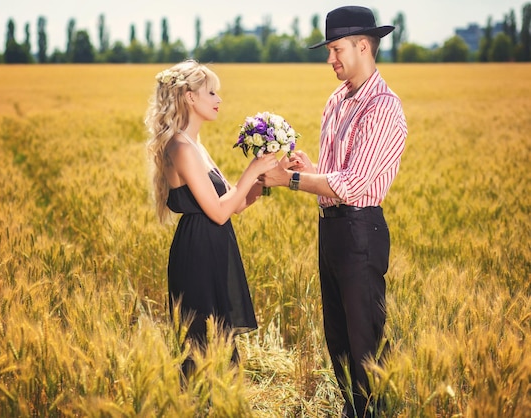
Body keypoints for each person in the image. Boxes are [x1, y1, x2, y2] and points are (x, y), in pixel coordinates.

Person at [262, 6, 408, 417]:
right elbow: (332, 175)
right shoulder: (336, 100)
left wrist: (286, 181)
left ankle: (371, 412)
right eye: (329, 50)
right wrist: (307, 170)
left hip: (361, 231)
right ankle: (352, 410)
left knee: (364, 340)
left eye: (337, 49)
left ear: (364, 46)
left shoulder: (382, 107)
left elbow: (351, 184)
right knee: (339, 339)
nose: (331, 59)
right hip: (330, 230)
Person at [145, 59, 278, 379]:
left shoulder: (196, 145)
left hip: (214, 247)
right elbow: (219, 212)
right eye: (212, 92)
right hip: (198, 253)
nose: (219, 100)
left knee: (219, 348)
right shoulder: (180, 146)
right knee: (200, 349)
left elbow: (234, 203)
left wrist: (264, 180)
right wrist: (250, 172)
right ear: (190, 97)